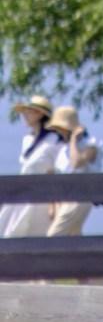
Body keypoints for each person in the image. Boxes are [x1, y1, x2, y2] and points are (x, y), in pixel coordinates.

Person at [39, 109, 95, 239]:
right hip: (62, 199)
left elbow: (76, 163)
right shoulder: (62, 150)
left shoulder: (90, 146)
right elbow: (53, 174)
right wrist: (52, 204)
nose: (60, 131)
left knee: (53, 237)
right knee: (74, 237)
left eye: (62, 128)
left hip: (79, 198)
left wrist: (74, 140)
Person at [5, 97, 52, 240]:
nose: (25, 115)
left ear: (39, 114)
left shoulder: (53, 141)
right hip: (23, 192)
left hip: (42, 196)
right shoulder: (27, 139)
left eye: (29, 111)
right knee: (12, 231)